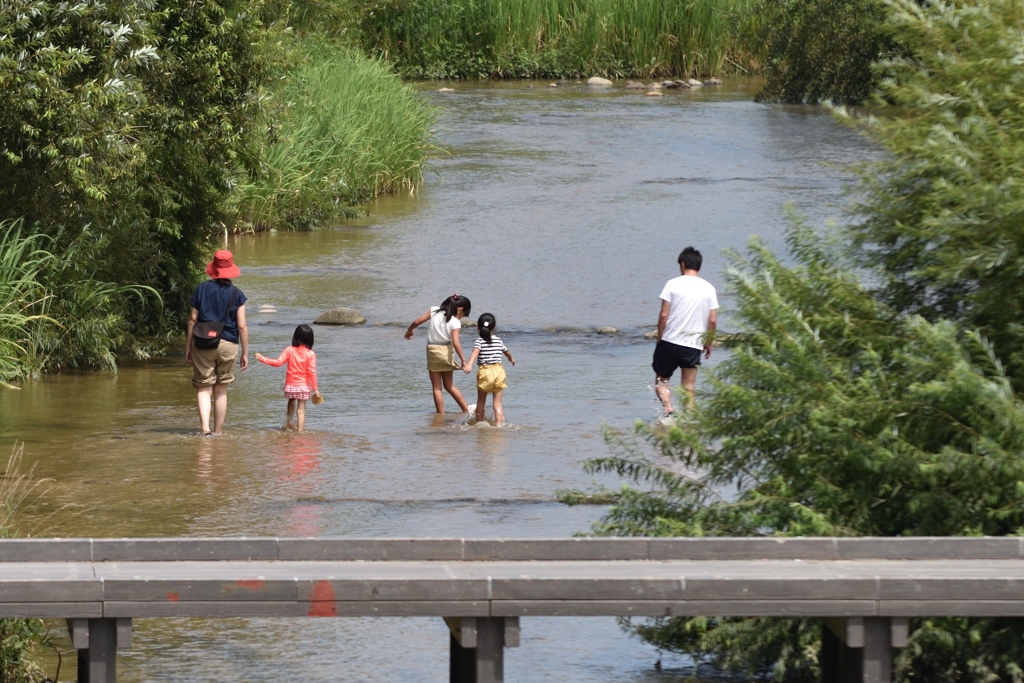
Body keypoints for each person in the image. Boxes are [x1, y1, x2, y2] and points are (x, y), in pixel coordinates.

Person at [185, 250, 248, 435]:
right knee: (221, 390)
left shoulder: (201, 289)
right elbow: (242, 326)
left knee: (204, 388)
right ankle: (218, 432)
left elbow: (192, 319)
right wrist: (244, 353)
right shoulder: (237, 294)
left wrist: (188, 346)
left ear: (213, 268)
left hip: (203, 343)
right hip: (228, 344)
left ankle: (205, 429)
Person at [653, 246, 718, 416]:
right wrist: (709, 342)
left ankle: (668, 409)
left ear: (682, 264)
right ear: (699, 266)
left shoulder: (672, 284)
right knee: (689, 387)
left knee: (661, 381)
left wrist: (660, 336)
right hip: (693, 344)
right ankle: (690, 421)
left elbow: (664, 314)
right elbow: (712, 320)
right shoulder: (709, 288)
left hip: (670, 341)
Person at [405, 294, 472, 414]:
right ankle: (466, 410)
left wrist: (410, 330)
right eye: (463, 315)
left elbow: (417, 321)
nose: (461, 318)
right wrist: (463, 360)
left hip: (432, 350)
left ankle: (440, 414)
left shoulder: (434, 311)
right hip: (445, 351)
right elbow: (456, 342)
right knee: (449, 386)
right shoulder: (455, 322)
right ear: (460, 309)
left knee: (437, 388)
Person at [255, 324, 321, 432]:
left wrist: (262, 358)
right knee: (301, 411)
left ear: (296, 336)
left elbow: (278, 362)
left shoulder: (289, 350)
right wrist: (315, 389)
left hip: (290, 385)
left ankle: (290, 421)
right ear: (310, 339)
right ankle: (300, 432)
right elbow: (312, 372)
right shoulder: (311, 354)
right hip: (303, 386)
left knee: (291, 399)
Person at [464, 313, 515, 425]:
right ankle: (499, 425)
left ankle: (480, 423)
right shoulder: (498, 340)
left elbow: (475, 352)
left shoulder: (479, 341)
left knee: (481, 401)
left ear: (478, 327)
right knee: (497, 404)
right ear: (494, 327)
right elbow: (507, 352)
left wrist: (469, 364)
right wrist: (511, 359)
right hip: (499, 372)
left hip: (485, 372)